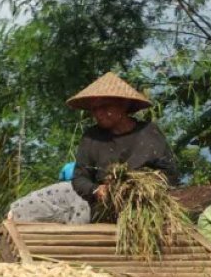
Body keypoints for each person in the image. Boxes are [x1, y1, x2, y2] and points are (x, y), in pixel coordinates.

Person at [66, 72, 179, 204]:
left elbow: (170, 174)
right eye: (94, 109)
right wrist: (96, 190)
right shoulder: (91, 137)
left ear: (123, 105)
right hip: (106, 206)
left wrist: (140, 188)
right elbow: (79, 179)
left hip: (147, 202)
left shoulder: (148, 132)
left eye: (104, 106)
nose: (98, 114)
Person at [7, 163, 90, 224]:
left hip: (16, 209)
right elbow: (80, 223)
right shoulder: (79, 192)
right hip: (25, 216)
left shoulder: (60, 188)